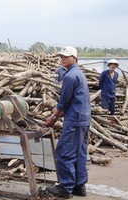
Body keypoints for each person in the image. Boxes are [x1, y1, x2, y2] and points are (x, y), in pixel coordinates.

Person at [44, 46, 91, 199]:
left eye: (66, 56)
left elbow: (63, 103)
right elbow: (73, 101)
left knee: (64, 152)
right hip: (83, 119)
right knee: (80, 152)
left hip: (75, 120)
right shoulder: (79, 74)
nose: (62, 59)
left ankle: (66, 188)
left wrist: (53, 118)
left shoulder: (70, 77)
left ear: (74, 58)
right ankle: (79, 186)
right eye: (61, 56)